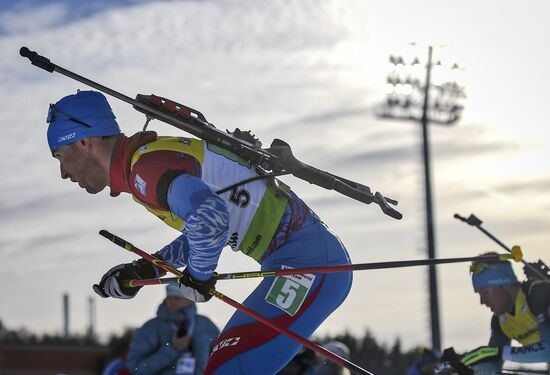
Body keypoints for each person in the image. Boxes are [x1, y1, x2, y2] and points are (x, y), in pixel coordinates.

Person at [46, 90, 353, 374]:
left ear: (83, 141)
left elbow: (210, 218)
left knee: (228, 369)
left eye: (59, 154)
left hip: (310, 266)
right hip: (304, 261)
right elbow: (203, 225)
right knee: (224, 365)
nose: (62, 172)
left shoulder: (145, 169)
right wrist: (145, 269)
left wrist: (199, 277)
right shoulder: (146, 161)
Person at [443, 252, 550, 373]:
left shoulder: (536, 293)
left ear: (504, 285)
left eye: (485, 293)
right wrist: (461, 365)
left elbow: (549, 352)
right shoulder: (499, 321)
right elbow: (491, 363)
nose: (482, 301)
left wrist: (498, 352)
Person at [125, 283, 219, 375]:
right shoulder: (151, 327)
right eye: (169, 298)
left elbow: (221, 357)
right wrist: (172, 349)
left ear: (190, 300)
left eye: (177, 298)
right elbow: (135, 368)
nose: (172, 301)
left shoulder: (205, 324)